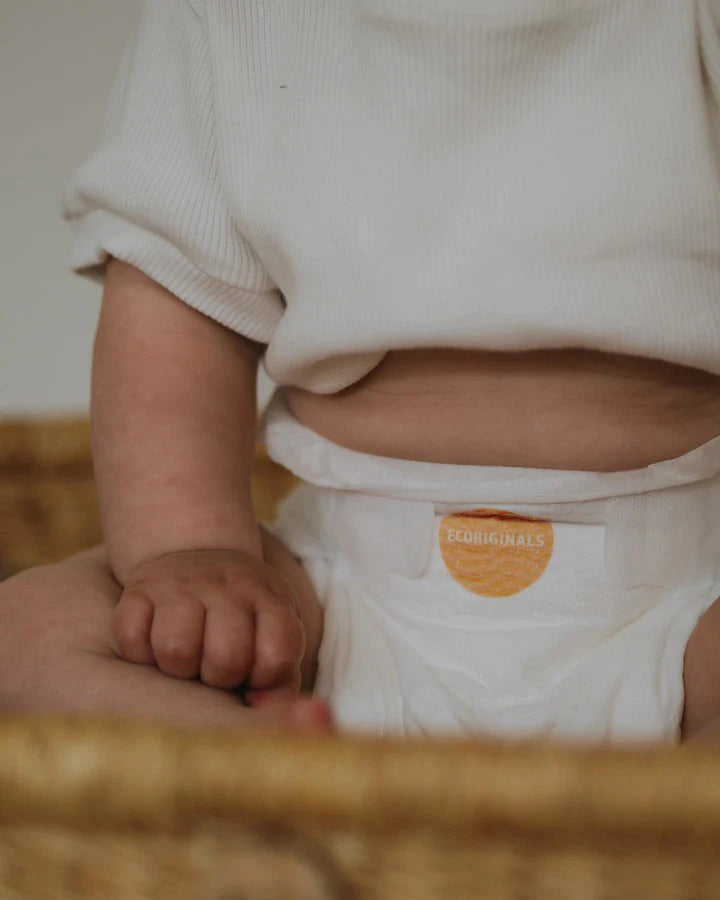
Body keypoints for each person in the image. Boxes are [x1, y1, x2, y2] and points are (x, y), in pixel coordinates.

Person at [2, 0, 720, 743]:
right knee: (24, 635)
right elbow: (177, 295)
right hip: (335, 600)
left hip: (685, 599)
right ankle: (253, 755)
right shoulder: (234, 20)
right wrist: (193, 552)